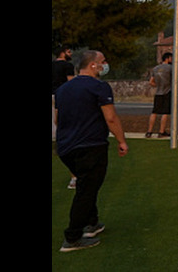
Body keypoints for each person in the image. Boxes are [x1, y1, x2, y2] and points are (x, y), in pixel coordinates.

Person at [54, 50, 129, 252]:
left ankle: (92, 222)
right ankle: (73, 237)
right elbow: (111, 117)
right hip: (90, 147)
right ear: (93, 65)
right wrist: (121, 141)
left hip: (65, 148)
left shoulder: (62, 90)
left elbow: (57, 119)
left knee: (88, 184)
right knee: (86, 190)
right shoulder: (99, 87)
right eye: (103, 62)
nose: (105, 65)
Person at [146, 52, 173, 138]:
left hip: (158, 92)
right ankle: (161, 131)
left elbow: (151, 82)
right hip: (167, 92)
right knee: (165, 112)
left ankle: (149, 132)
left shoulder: (155, 68)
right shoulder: (170, 68)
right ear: (167, 58)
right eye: (171, 58)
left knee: (154, 112)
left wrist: (158, 85)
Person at [53, 45, 75, 139]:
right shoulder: (68, 66)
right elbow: (71, 82)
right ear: (62, 53)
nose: (71, 54)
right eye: (69, 52)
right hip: (62, 95)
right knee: (61, 118)